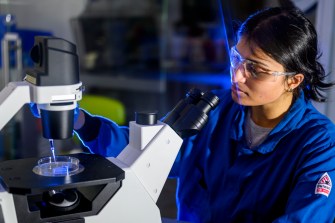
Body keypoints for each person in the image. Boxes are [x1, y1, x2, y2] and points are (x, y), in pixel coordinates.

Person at [73, 7, 335, 223]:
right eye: (237, 59)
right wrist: (81, 122)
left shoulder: (319, 144)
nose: (237, 75)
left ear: (293, 80)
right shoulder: (214, 109)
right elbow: (149, 150)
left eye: (256, 69)